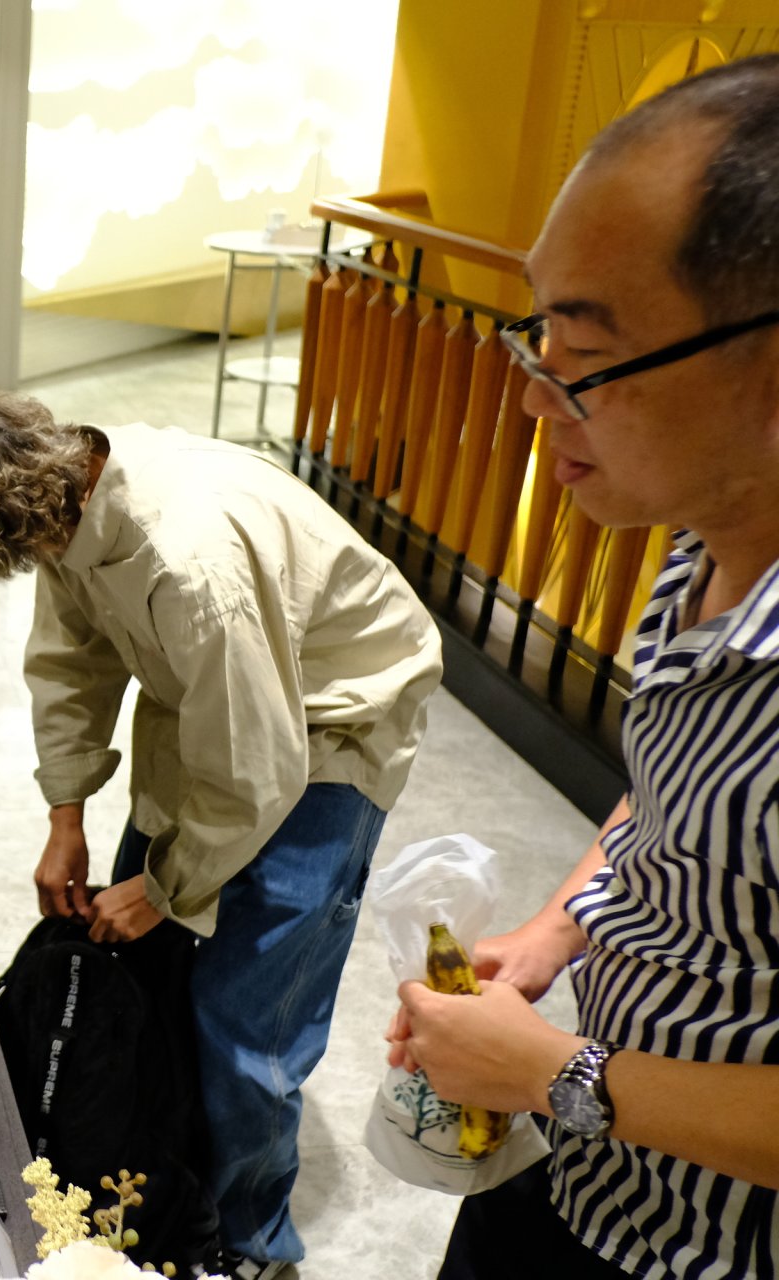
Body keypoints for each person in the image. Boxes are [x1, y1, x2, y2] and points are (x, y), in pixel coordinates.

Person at [0, 388, 443, 1279]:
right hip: (222, 702)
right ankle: (162, 1182)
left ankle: (249, 1243)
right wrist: (66, 816)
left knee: (244, 1021)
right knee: (145, 974)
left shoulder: (191, 564)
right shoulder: (64, 494)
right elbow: (71, 662)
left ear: (9, 521)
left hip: (335, 724)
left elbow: (259, 767)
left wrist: (166, 886)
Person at [386, 54, 779, 1280]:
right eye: (537, 332)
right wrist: (556, 930)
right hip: (584, 1163)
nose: (534, 396)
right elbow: (673, 800)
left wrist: (563, 1070)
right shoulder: (703, 543)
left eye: (585, 352)